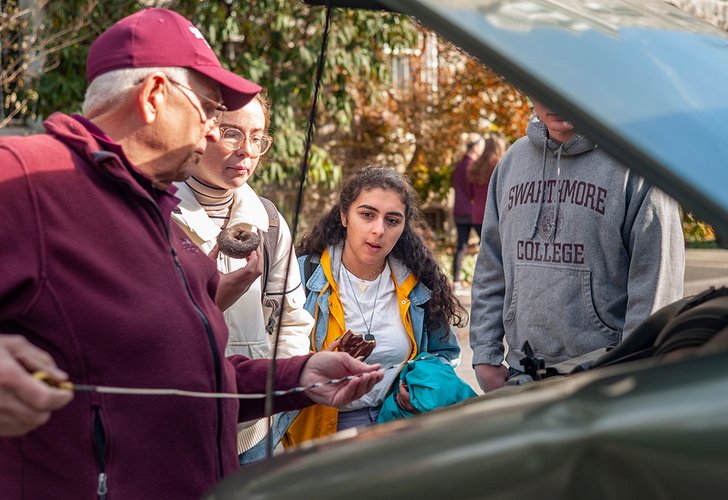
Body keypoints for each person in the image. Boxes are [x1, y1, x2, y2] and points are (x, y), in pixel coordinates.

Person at [0, 8, 382, 499]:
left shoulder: (156, 211)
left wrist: (298, 375)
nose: (209, 132)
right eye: (207, 109)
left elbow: (193, 376)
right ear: (154, 96)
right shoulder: (27, 176)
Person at [470, 97, 685, 392]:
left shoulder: (637, 166)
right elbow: (491, 263)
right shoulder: (512, 161)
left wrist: (634, 372)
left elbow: (656, 278)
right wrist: (485, 354)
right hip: (522, 374)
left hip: (603, 378)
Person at [172, 92, 313, 463]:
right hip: (175, 428)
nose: (247, 150)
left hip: (252, 436)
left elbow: (292, 320)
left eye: (258, 137)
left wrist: (275, 394)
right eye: (232, 133)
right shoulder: (156, 214)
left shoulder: (268, 221)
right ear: (200, 130)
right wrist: (211, 300)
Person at [283, 166, 465, 446]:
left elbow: (445, 354)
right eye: (367, 215)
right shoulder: (302, 278)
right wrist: (312, 364)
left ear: (404, 227)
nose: (378, 230)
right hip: (321, 435)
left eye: (392, 220)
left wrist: (415, 394)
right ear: (344, 216)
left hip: (400, 426)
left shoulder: (418, 286)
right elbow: (274, 359)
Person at [451, 136, 484, 285]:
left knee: (461, 246)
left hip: (459, 211)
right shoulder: (473, 166)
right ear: (476, 147)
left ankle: (456, 281)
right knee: (487, 245)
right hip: (473, 211)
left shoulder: (458, 165)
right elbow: (474, 191)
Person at [467, 134, 506, 237]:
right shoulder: (500, 166)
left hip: (476, 215)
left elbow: (470, 194)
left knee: (484, 248)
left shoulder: (475, 166)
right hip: (494, 215)